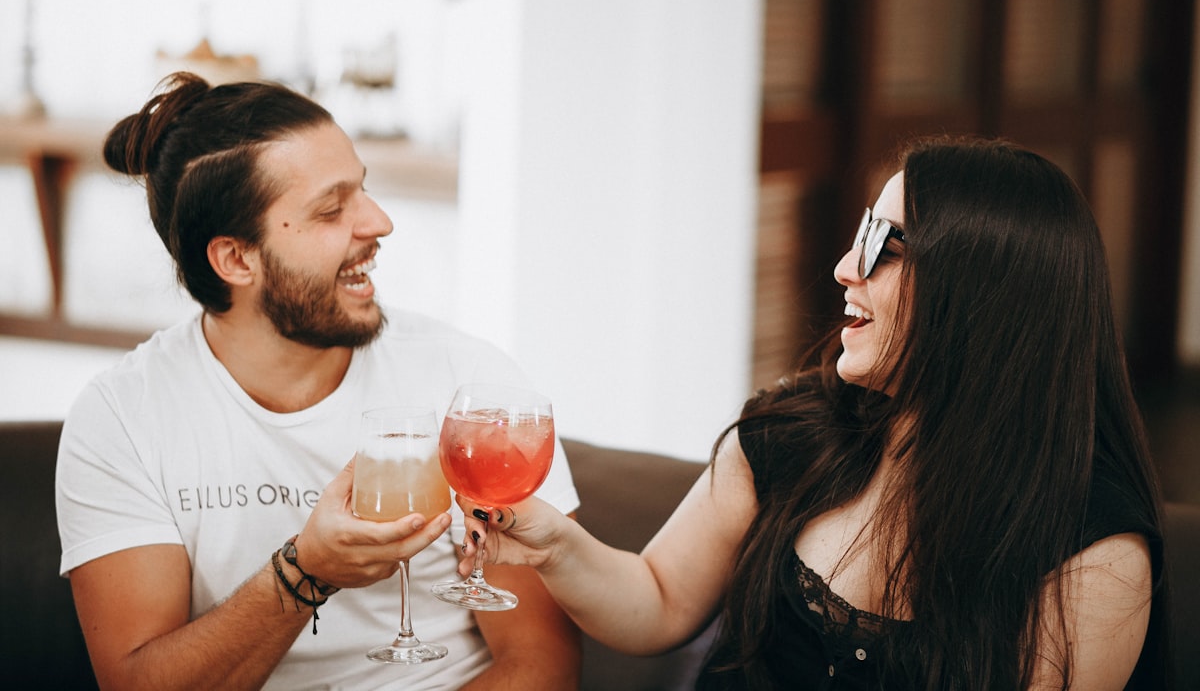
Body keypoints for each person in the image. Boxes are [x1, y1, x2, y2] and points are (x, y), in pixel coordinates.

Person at [455, 135, 1168, 689]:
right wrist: (552, 546)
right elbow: (659, 599)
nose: (845, 269)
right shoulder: (790, 432)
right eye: (863, 235)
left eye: (885, 247)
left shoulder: (1092, 548)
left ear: (983, 295)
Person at [54, 72, 582, 691]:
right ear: (235, 259)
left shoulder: (464, 383)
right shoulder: (123, 419)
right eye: (332, 209)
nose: (379, 222)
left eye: (364, 191)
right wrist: (304, 573)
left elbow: (542, 667)